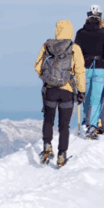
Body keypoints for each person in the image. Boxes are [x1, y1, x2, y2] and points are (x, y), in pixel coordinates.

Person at [35, 19, 85, 168]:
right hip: (67, 90)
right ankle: (62, 155)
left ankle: (47, 146)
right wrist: (81, 91)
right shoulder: (74, 48)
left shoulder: (47, 46)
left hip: (50, 90)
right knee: (64, 125)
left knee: (48, 120)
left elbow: (37, 66)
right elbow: (80, 72)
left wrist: (47, 78)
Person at [74, 4, 104, 139]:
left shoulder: (80, 33)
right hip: (101, 68)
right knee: (96, 100)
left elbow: (76, 53)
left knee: (85, 96)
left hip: (84, 68)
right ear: (100, 16)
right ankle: (92, 125)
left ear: (87, 15)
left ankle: (85, 121)